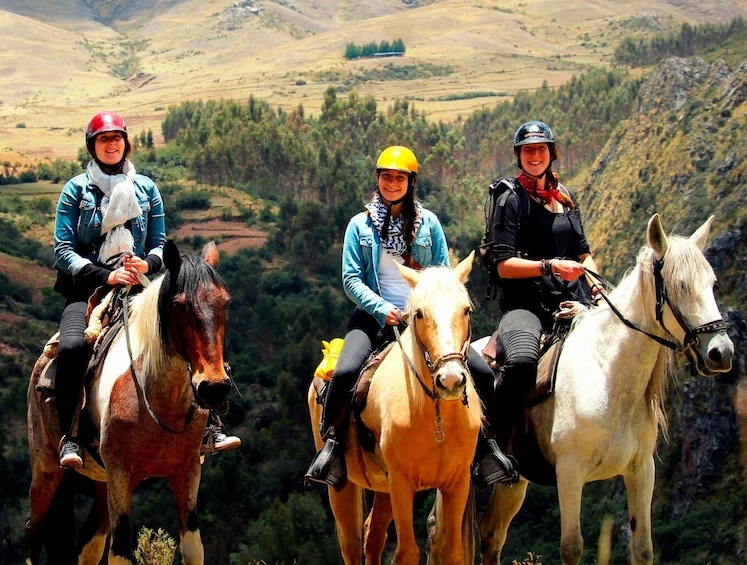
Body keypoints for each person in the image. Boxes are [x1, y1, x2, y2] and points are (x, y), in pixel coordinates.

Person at [304, 145, 513, 490]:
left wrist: (434, 309)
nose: (392, 183)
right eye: (386, 176)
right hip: (375, 318)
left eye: (399, 178)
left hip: (427, 319)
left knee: (479, 372)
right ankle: (332, 448)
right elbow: (351, 279)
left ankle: (489, 447)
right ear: (378, 179)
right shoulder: (359, 225)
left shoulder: (428, 223)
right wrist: (382, 309)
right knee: (343, 373)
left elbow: (444, 273)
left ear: (410, 182)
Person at [53, 110, 240, 468]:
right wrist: (103, 275)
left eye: (117, 138)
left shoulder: (146, 188)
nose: (112, 144)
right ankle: (69, 437)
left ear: (125, 143)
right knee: (74, 346)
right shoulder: (75, 190)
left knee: (193, 330)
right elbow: (63, 250)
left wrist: (146, 265)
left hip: (140, 285)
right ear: (93, 146)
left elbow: (157, 243)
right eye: (104, 139)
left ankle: (210, 423)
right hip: (89, 287)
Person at [484, 120, 602, 479]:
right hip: (527, 305)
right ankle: (492, 446)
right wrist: (549, 266)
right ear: (519, 156)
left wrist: (596, 285)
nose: (535, 155)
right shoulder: (509, 199)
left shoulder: (564, 196)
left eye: (541, 149)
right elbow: (503, 265)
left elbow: (583, 253)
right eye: (528, 150)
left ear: (552, 153)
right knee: (520, 362)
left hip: (576, 299)